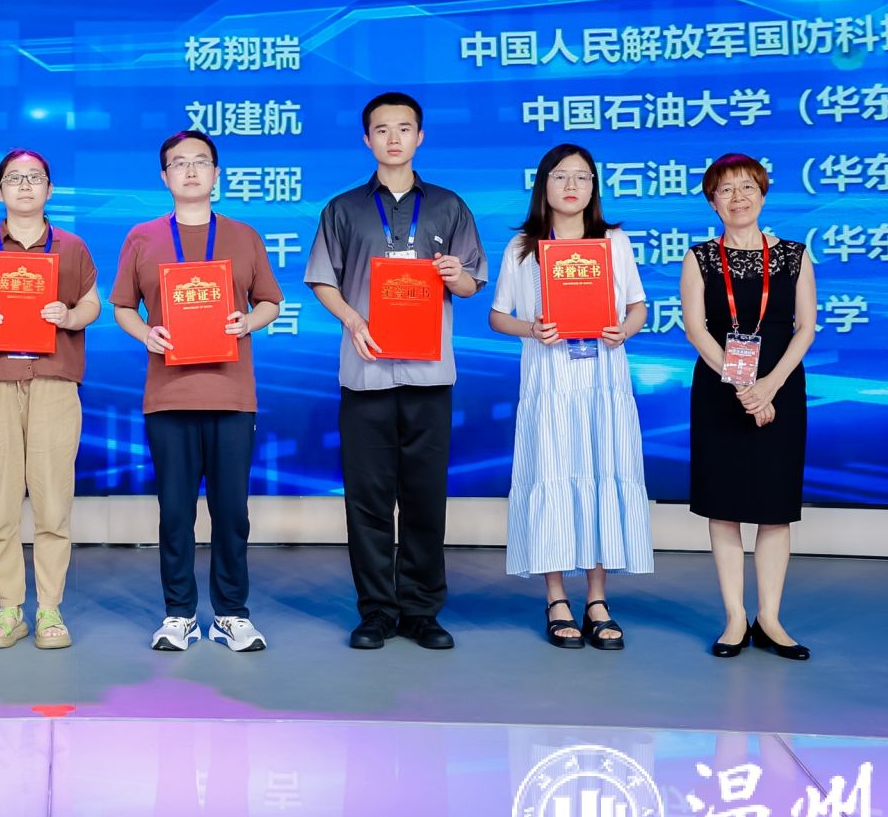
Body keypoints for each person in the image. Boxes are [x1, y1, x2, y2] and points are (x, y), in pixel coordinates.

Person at [306, 92, 485, 650]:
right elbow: (322, 279)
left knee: (426, 496)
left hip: (430, 374)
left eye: (404, 128)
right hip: (366, 374)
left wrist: (455, 274)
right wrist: (352, 318)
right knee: (367, 498)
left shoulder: (449, 206)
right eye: (381, 129)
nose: (393, 138)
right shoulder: (343, 208)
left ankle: (422, 611)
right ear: (367, 139)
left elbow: (471, 283)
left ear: (419, 137)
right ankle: (377, 611)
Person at [111, 129, 282, 652]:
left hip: (231, 395)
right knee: (176, 512)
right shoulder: (142, 237)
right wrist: (147, 333)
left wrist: (246, 322)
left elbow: (270, 301)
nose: (190, 170)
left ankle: (231, 613)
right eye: (179, 163)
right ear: (164, 177)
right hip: (169, 396)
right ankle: (179, 613)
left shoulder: (244, 235)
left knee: (232, 512)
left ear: (216, 174)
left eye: (201, 161)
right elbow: (122, 307)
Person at [488, 144, 652, 651]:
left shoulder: (613, 242)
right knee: (552, 475)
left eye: (582, 176)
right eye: (561, 176)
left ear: (593, 186)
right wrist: (531, 329)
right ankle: (556, 597)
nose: (572, 185)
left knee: (603, 472)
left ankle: (597, 599)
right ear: (544, 185)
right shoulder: (523, 247)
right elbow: (498, 316)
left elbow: (638, 306)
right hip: (550, 381)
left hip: (602, 378)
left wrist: (625, 330)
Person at [0, 149, 102, 649]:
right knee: (0, 502)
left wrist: (70, 317)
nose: (26, 185)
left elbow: (92, 303)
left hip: (54, 381)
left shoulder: (72, 247)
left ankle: (50, 609)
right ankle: (10, 607)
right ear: (0, 191)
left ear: (49, 189)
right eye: (15, 178)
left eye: (35, 177)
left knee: (53, 500)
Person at [681, 153, 817, 661]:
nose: (738, 198)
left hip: (782, 389)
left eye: (747, 187)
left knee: (774, 509)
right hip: (719, 390)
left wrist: (769, 387)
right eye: (726, 190)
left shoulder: (795, 255)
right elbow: (696, 329)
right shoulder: (699, 257)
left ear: (763, 194)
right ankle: (736, 617)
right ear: (712, 202)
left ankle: (771, 618)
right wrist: (743, 386)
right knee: (724, 508)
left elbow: (805, 327)